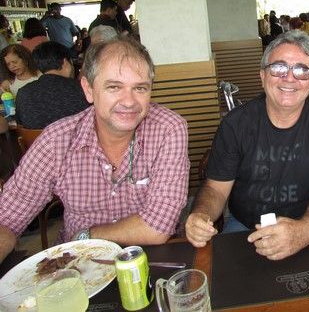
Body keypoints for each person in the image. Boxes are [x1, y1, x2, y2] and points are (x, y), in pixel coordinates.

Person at [0, 38, 190, 264]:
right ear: (88, 89)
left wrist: (85, 236)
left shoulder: (167, 129)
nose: (129, 101)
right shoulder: (57, 140)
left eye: (140, 88)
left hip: (152, 259)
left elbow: (158, 227)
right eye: (114, 87)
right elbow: (7, 217)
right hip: (81, 264)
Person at [185, 31, 309, 260]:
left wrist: (304, 230)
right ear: (262, 75)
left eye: (302, 70)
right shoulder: (235, 124)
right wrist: (201, 214)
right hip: (246, 228)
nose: (289, 78)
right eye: (279, 68)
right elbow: (215, 189)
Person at [15, 42, 89, 129]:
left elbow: (20, 124)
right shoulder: (82, 88)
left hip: (37, 138)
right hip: (76, 137)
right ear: (65, 62)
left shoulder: (23, 92)